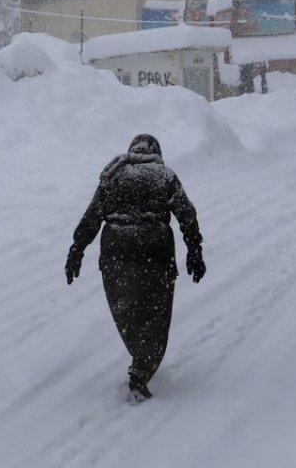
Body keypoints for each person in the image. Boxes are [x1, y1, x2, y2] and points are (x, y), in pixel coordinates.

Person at [65, 133, 205, 402]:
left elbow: (93, 215)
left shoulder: (113, 173)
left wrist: (76, 250)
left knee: (126, 312)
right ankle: (142, 368)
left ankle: (140, 356)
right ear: (156, 152)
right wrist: (194, 251)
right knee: (156, 315)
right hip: (156, 254)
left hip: (117, 255)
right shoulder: (164, 175)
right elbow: (187, 215)